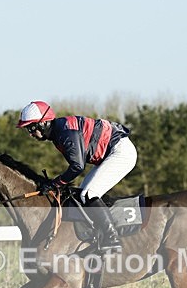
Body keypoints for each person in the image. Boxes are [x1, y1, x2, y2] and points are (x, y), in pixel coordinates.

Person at [16, 100, 137, 251]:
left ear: (44, 123)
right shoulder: (59, 131)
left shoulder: (64, 133)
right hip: (112, 151)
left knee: (88, 194)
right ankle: (98, 234)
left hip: (120, 152)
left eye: (31, 128)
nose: (30, 133)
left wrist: (55, 184)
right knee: (82, 195)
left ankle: (112, 237)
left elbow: (77, 167)